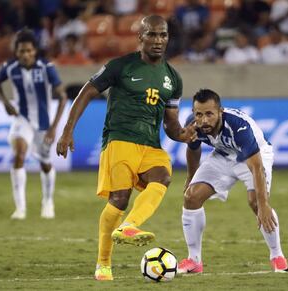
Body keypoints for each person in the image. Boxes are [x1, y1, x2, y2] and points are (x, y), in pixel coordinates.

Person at [56, 15, 196, 281]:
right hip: (119, 140)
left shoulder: (173, 79)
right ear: (140, 37)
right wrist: (67, 130)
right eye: (152, 35)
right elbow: (87, 92)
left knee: (163, 176)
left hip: (150, 145)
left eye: (163, 35)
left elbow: (170, 123)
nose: (158, 40)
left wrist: (183, 135)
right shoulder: (120, 67)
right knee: (119, 200)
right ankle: (103, 263)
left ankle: (130, 226)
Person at [178, 89, 288, 274]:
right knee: (191, 197)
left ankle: (277, 255)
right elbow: (193, 149)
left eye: (209, 114)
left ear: (220, 112)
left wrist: (263, 205)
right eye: (199, 114)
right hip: (223, 155)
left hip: (255, 157)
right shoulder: (193, 125)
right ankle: (194, 261)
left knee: (256, 203)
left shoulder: (239, 128)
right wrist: (191, 177)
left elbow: (256, 168)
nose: (204, 120)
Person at [0, 29, 68, 220]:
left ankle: (48, 202)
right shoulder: (10, 68)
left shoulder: (46, 67)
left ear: (34, 50)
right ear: (16, 52)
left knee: (44, 163)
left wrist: (53, 127)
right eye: (21, 51)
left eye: (28, 50)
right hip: (22, 119)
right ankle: (20, 209)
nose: (25, 55)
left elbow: (63, 96)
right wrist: (6, 102)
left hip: (44, 124)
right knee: (19, 155)